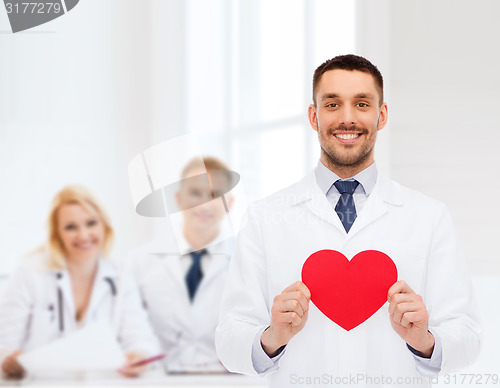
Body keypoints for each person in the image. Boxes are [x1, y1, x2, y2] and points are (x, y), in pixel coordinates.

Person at [215, 55, 481, 387]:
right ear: (313, 116)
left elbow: (467, 334)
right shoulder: (265, 216)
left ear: (381, 115)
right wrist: (272, 337)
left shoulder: (428, 216)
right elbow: (229, 338)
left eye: (362, 104)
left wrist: (425, 341)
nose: (347, 118)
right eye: (332, 104)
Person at [0, 185, 160, 379]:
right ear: (57, 233)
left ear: (104, 225)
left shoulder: (121, 274)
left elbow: (140, 336)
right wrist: (9, 359)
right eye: (70, 227)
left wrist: (139, 356)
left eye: (91, 223)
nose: (83, 235)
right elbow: (4, 343)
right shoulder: (30, 274)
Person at [127, 156, 235, 372]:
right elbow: (131, 324)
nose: (204, 204)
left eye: (215, 195)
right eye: (195, 193)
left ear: (229, 204)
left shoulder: (245, 260)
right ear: (178, 199)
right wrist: (139, 353)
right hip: (158, 380)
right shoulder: (139, 262)